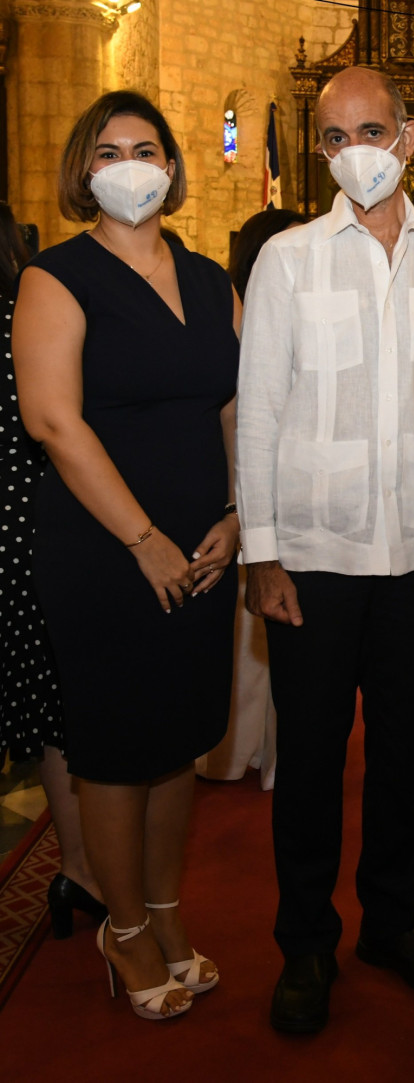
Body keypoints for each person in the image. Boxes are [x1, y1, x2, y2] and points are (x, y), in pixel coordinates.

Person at [236, 65, 414, 1034]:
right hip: (312, 556)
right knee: (307, 760)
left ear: (410, 139)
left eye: (373, 131)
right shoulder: (289, 261)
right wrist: (263, 554)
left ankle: (390, 923)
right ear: (320, 151)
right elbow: (259, 413)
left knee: (400, 758)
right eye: (336, 136)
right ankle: (305, 942)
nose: (358, 152)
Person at [13, 91, 240, 1020]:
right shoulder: (55, 277)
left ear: (174, 165)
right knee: (115, 747)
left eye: (147, 148)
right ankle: (122, 928)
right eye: (110, 151)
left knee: (180, 736)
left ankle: (166, 912)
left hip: (205, 546)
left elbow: (235, 407)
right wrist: (142, 537)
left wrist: (238, 510)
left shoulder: (212, 278)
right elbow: (53, 420)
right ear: (84, 169)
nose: (131, 165)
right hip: (106, 547)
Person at [0, 201, 107, 938]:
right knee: (55, 717)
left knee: (49, 712)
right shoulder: (35, 304)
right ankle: (81, 870)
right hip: (33, 532)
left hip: (23, 534)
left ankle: (81, 870)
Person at [197, 207, 306, 789]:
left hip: (301, 485)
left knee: (280, 641)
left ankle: (273, 748)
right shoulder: (235, 307)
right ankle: (229, 750)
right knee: (245, 638)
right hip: (242, 476)